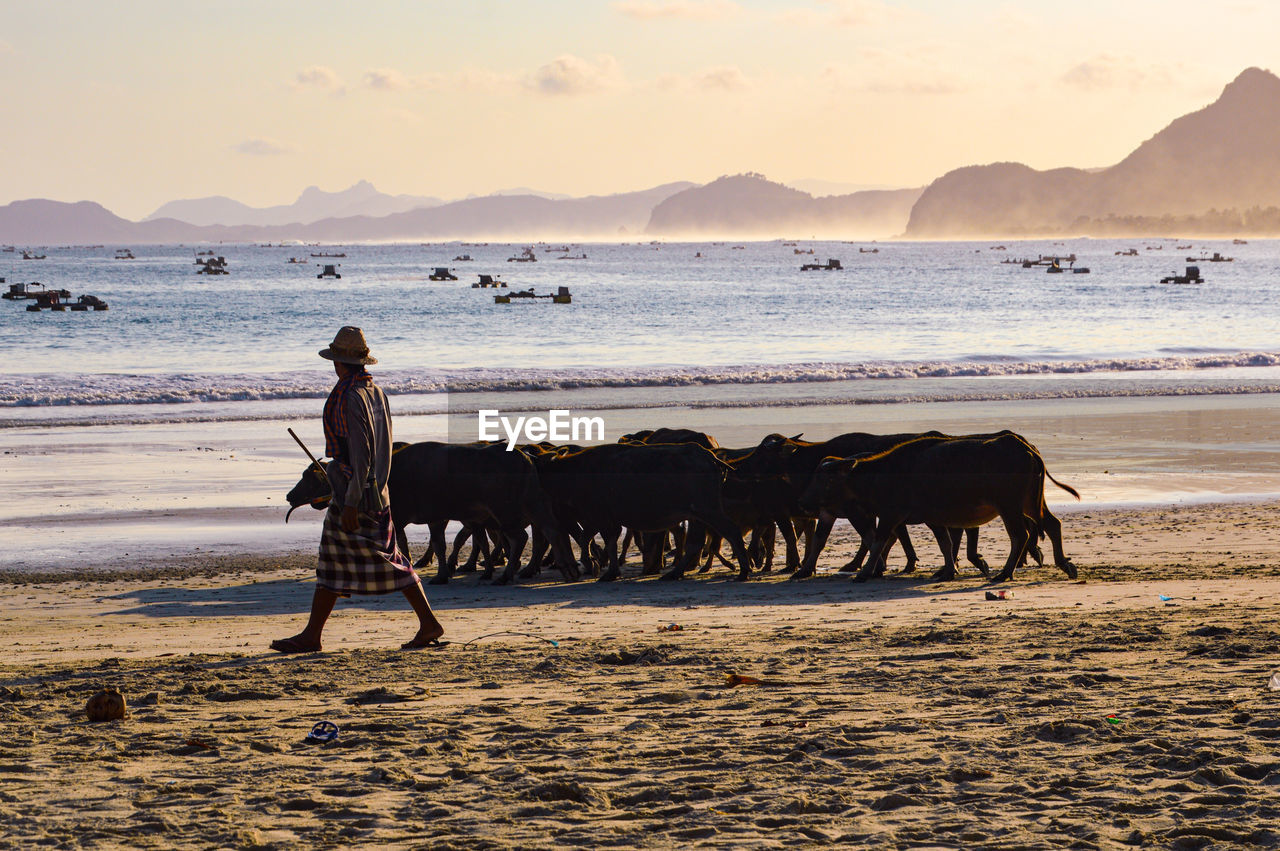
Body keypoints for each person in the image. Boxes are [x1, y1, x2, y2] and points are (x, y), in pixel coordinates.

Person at [271, 326, 445, 653]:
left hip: (359, 495)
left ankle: (427, 623)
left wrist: (351, 501)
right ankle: (314, 634)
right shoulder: (375, 392)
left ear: (338, 363)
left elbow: (361, 453)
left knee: (383, 563)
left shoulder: (350, 397)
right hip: (377, 491)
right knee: (339, 563)